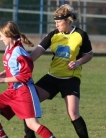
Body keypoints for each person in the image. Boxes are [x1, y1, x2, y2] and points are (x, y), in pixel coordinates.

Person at [23, 4, 93, 138]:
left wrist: (78, 62)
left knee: (73, 113)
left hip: (70, 79)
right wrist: (22, 64)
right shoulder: (53, 35)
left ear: (68, 20)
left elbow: (89, 54)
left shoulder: (80, 35)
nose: (56, 25)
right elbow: (36, 53)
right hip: (52, 77)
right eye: (55, 22)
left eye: (59, 22)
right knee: (28, 103)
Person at [0, 21, 55, 138]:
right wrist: (5, 73)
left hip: (24, 92)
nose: (0, 39)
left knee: (32, 124)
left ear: (9, 35)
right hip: (12, 91)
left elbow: (26, 76)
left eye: (2, 36)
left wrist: (3, 80)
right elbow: (15, 67)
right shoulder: (9, 48)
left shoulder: (19, 52)